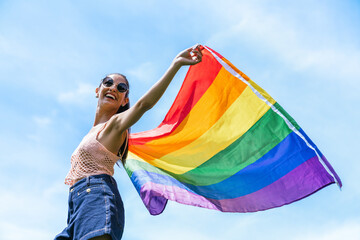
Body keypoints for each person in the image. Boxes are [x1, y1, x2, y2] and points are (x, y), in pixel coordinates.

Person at [54, 45, 203, 240]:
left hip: (96, 196)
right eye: (109, 82)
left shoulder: (115, 125)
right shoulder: (91, 132)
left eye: (121, 88)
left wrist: (176, 64)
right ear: (98, 90)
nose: (113, 88)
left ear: (124, 100)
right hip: (77, 204)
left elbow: (143, 105)